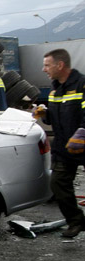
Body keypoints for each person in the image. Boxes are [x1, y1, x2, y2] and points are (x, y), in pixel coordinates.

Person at [37, 48, 85, 238]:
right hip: (65, 146)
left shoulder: (82, 84)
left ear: (60, 65)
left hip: (81, 141)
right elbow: (56, 117)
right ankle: (76, 221)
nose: (43, 69)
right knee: (58, 183)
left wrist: (82, 133)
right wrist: (44, 114)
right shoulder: (55, 88)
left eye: (47, 65)